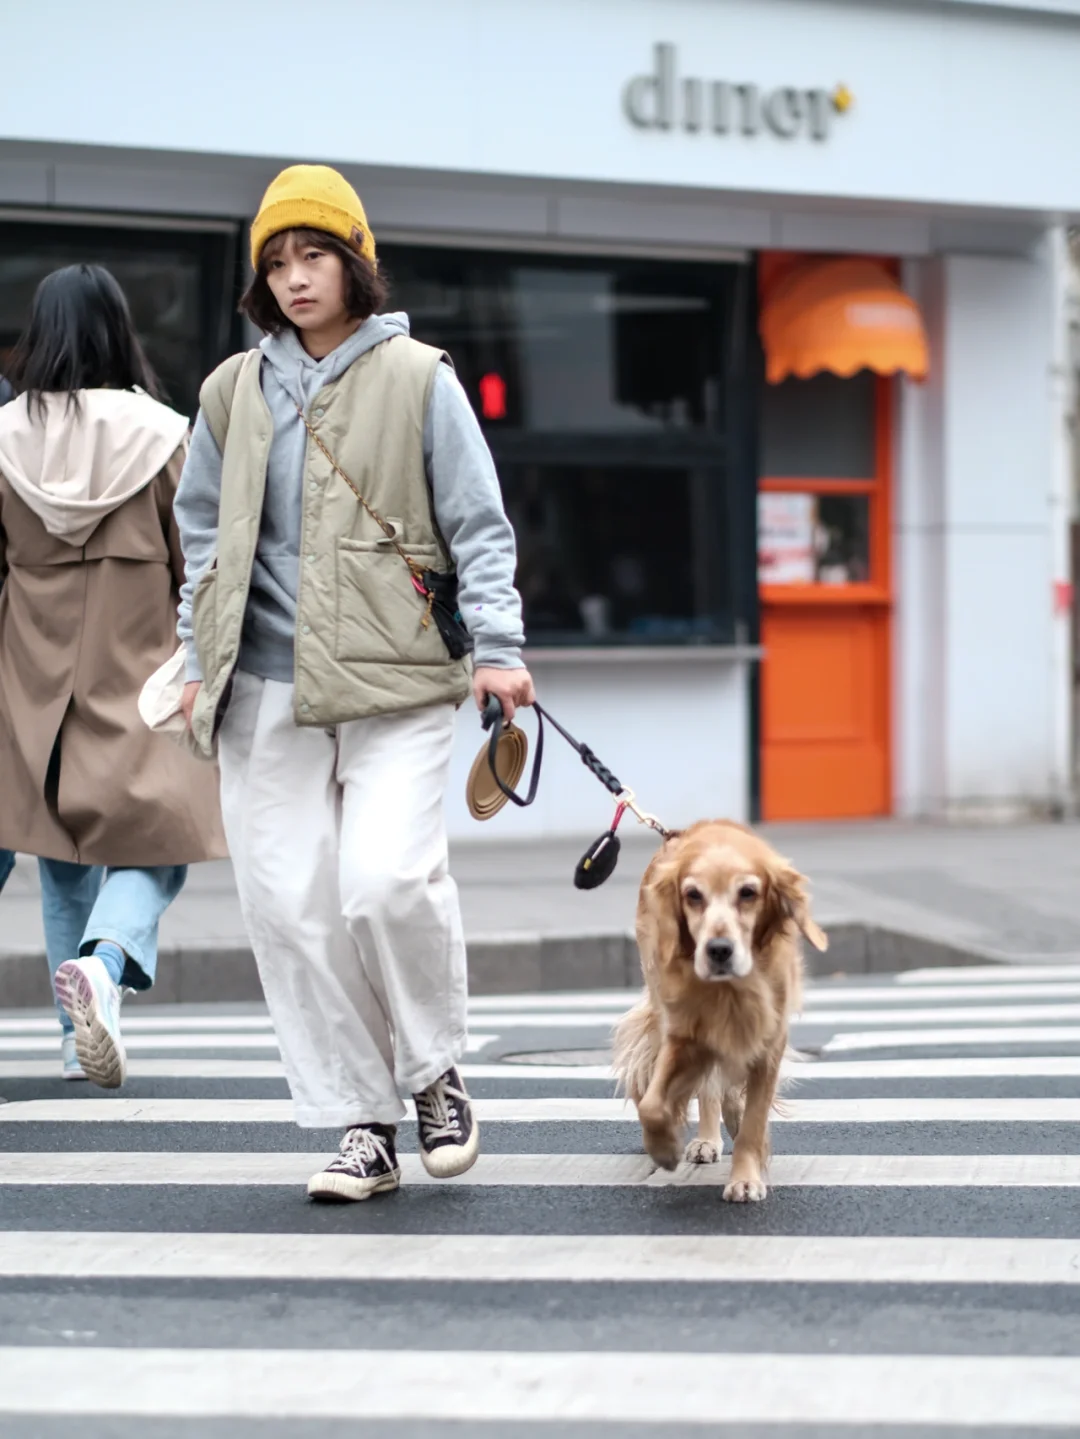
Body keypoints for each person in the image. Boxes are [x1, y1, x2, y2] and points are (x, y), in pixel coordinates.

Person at [175, 164, 533, 1201]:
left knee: (383, 882)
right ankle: (361, 1120)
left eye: (314, 255)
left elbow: (478, 523)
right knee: (289, 907)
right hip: (264, 690)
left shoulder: (421, 375)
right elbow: (200, 533)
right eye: (277, 262)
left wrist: (500, 649)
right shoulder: (230, 390)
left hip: (402, 681)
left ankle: (434, 1073)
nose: (294, 278)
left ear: (355, 262)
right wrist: (201, 662)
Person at [0, 265, 226, 1084]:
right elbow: (197, 564)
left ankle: (74, 1036)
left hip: (27, 683)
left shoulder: (3, 439)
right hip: (141, 680)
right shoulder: (165, 435)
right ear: (117, 330)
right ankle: (102, 966)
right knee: (159, 841)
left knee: (61, 854)